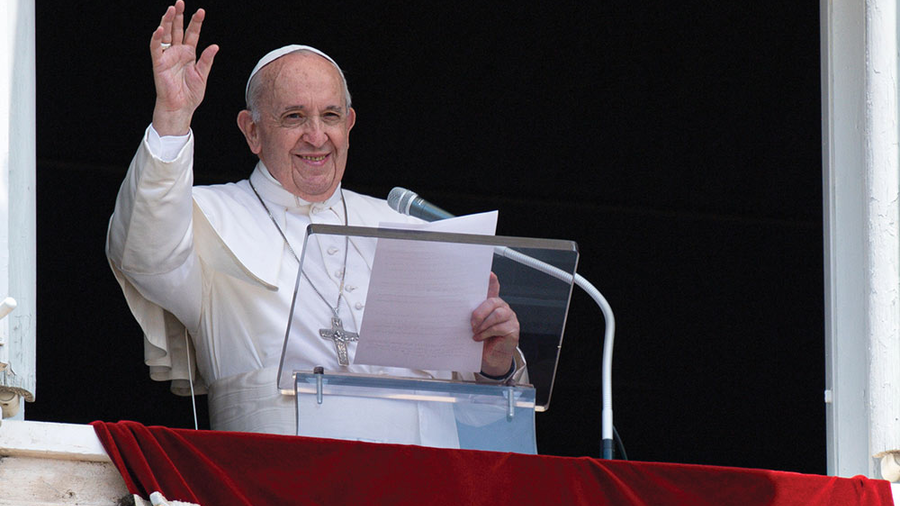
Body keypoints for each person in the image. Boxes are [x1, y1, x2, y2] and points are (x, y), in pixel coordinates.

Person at [106, 1, 525, 446]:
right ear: (252, 131)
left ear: (349, 124)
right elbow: (144, 252)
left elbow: (479, 417)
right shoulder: (209, 217)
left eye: (330, 116)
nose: (316, 136)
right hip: (276, 484)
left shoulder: (398, 224)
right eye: (294, 117)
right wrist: (172, 117)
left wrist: (495, 364)